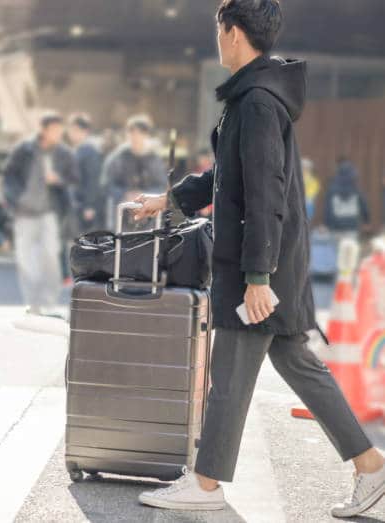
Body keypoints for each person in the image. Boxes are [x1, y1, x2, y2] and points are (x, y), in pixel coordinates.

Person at [133, 1, 385, 517]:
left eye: (219, 29)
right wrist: (170, 200)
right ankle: (372, 467)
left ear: (234, 33)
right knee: (298, 363)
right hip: (274, 261)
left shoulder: (257, 103)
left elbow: (265, 193)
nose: (217, 39)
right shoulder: (254, 97)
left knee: (230, 372)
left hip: (261, 264)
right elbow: (226, 174)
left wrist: (256, 276)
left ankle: (204, 486)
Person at [3, 113, 78, 316]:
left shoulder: (63, 153)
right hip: (24, 212)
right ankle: (32, 302)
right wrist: (15, 199)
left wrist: (58, 179)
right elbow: (9, 176)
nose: (58, 134)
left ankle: (48, 301)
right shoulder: (24, 149)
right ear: (43, 130)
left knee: (50, 256)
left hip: (49, 213)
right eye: (54, 130)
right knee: (25, 259)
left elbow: (73, 178)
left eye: (60, 130)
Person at [102, 114, 167, 231]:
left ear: (146, 135)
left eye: (139, 133)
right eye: (132, 133)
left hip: (148, 217)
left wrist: (144, 194)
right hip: (122, 215)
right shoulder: (117, 157)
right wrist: (125, 194)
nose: (135, 137)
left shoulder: (154, 160)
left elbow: (162, 186)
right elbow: (107, 183)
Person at [68, 112, 103, 232]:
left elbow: (92, 180)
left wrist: (90, 206)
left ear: (85, 131)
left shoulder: (90, 152)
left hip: (84, 205)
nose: (72, 133)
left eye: (76, 130)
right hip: (74, 203)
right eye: (71, 130)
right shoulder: (75, 150)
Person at [324, 159, 370, 236]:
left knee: (337, 247)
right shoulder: (356, 191)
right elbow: (363, 206)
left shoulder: (332, 191)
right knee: (351, 246)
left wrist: (327, 224)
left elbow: (328, 209)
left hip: (336, 227)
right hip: (352, 226)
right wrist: (366, 221)